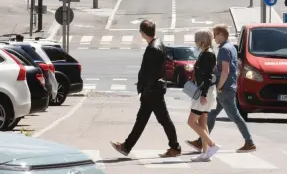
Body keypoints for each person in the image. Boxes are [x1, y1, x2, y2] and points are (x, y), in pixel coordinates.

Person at [110, 20, 181, 158]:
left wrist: (144, 90)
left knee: (164, 120)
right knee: (142, 119)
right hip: (154, 90)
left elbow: (150, 73)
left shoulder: (153, 49)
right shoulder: (158, 43)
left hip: (152, 91)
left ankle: (175, 147)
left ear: (142, 33)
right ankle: (126, 146)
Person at [186, 24, 256, 153]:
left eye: (215, 35)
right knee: (210, 115)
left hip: (225, 88)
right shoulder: (231, 47)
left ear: (221, 34)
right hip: (227, 87)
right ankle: (202, 141)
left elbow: (225, 71)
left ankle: (249, 142)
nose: (214, 38)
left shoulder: (224, 49)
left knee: (234, 116)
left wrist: (218, 87)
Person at [187, 29, 220, 162]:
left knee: (191, 121)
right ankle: (205, 153)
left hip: (204, 92)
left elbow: (207, 76)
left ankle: (212, 145)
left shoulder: (208, 54)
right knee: (202, 121)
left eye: (197, 39)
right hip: (205, 91)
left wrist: (204, 94)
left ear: (202, 40)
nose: (195, 42)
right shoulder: (206, 53)